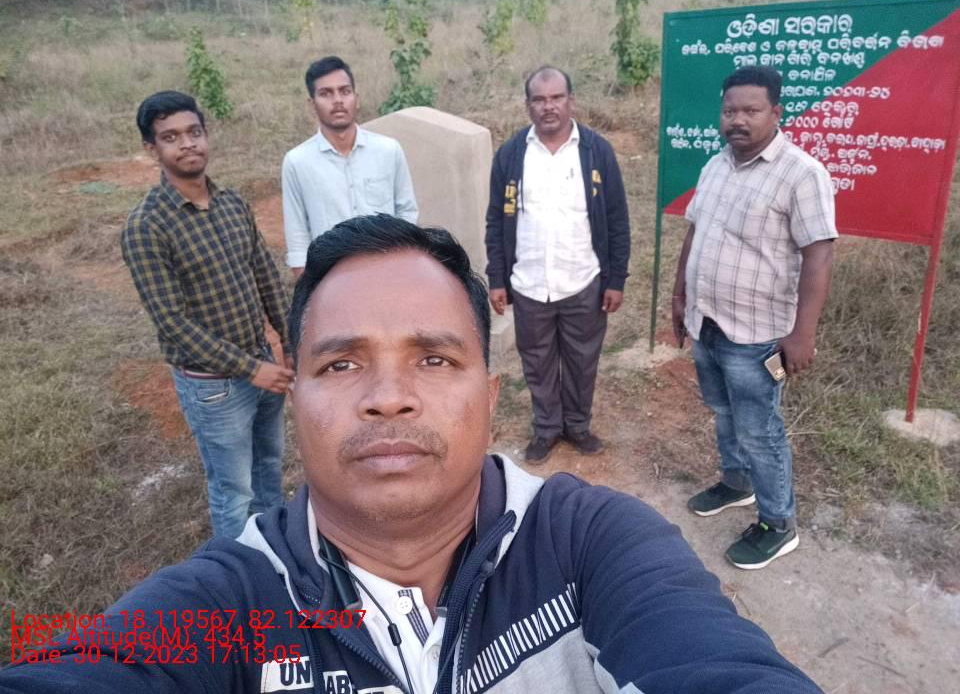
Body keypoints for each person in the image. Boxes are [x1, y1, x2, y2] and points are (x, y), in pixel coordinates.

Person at [1, 215, 823, 694]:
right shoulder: (229, 607)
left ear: (490, 399)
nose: (388, 396)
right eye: (340, 364)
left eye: (433, 358)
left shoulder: (594, 545)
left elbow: (713, 661)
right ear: (296, 398)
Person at [672, 65, 837, 570]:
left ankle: (778, 523)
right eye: (730, 111)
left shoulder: (801, 174)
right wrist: (679, 296)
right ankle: (736, 482)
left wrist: (803, 333)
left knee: (760, 431)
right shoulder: (716, 165)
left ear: (776, 112)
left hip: (758, 335)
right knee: (724, 413)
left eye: (751, 110)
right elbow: (695, 232)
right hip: (708, 322)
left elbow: (819, 255)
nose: (737, 120)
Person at [120, 91, 293, 539]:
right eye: (171, 137)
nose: (187, 144)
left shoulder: (232, 203)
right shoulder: (146, 227)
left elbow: (265, 276)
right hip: (214, 386)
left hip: (263, 362)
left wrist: (290, 342)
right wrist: (252, 370)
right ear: (152, 149)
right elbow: (172, 322)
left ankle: (275, 552)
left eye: (194, 132)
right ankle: (239, 570)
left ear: (206, 135)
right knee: (234, 490)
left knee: (269, 468)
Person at [485, 66, 630, 464]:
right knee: (537, 361)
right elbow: (496, 219)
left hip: (582, 279)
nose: (548, 107)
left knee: (582, 360)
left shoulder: (596, 151)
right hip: (529, 283)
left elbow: (617, 218)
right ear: (528, 105)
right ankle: (547, 428)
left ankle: (578, 426)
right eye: (539, 99)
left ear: (571, 101)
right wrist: (497, 278)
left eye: (556, 98)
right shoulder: (511, 155)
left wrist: (615, 279)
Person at [282, 55, 419, 279]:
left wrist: (401, 268)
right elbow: (297, 237)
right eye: (326, 93)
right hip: (332, 280)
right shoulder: (297, 162)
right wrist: (309, 289)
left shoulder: (388, 150)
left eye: (345, 91)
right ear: (311, 104)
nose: (338, 100)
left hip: (388, 273)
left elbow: (407, 213)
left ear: (356, 98)